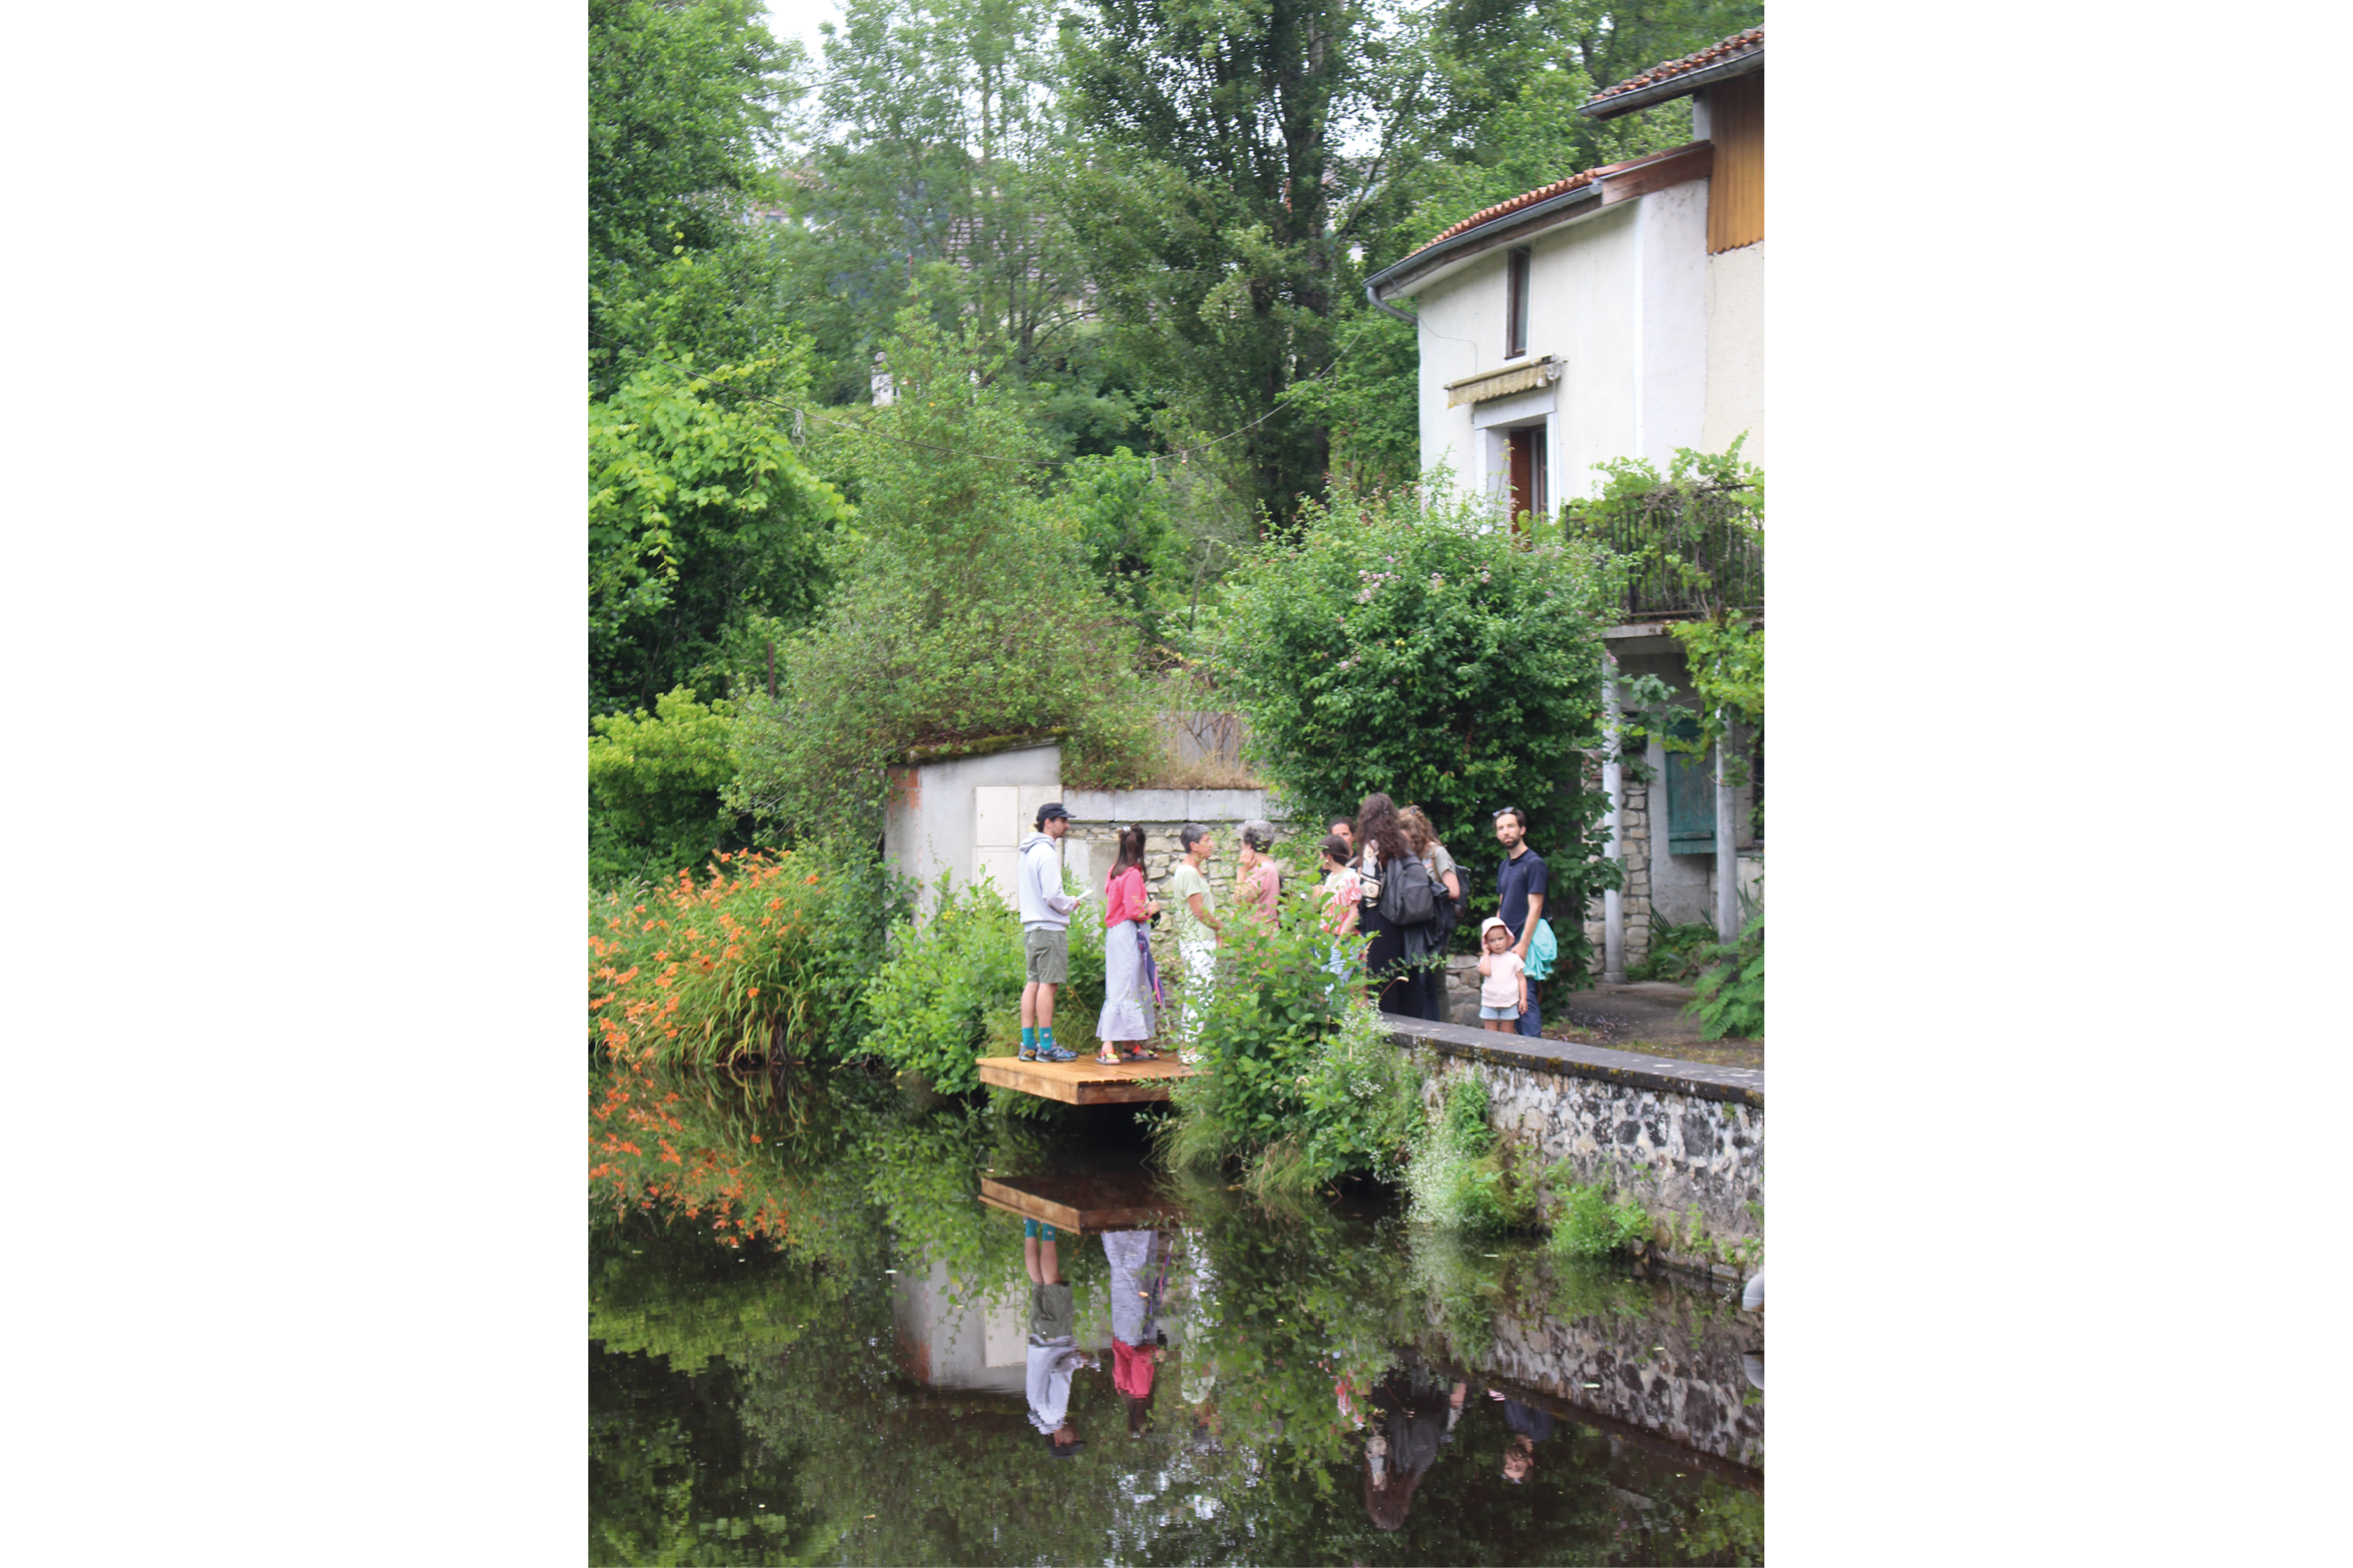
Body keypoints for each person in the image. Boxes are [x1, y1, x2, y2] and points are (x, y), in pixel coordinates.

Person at [1337, 1358, 1466, 1531]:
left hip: (1428, 1384)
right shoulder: (1377, 1465)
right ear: (1373, 1499)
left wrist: (1460, 1374)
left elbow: (1452, 1408)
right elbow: (1369, 1405)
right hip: (1389, 1387)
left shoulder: (1420, 1467)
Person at [1021, 1216, 1095, 1457]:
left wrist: (1082, 1360)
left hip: (1055, 1337)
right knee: (1038, 1283)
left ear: (1059, 1441)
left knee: (1054, 1283)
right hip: (1038, 1336)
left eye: (1072, 1440)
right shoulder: (1037, 1413)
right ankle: (1030, 1224)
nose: (1075, 1434)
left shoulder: (1054, 1414)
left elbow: (1062, 1371)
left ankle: (1050, 1222)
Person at [1353, 793, 1429, 1019]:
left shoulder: (1372, 846)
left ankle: (1389, 1037)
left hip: (1382, 921)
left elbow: (1372, 892)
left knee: (1383, 982)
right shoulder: (1402, 844)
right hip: (1407, 918)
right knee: (1408, 978)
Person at [1095, 824, 1164, 1065]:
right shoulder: (1133, 874)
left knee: (1126, 984)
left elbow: (1111, 896)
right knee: (1125, 986)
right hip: (1127, 935)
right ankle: (1107, 1046)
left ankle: (1130, 1046)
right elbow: (1135, 910)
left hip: (1115, 935)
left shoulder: (1114, 871)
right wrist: (1151, 909)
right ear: (1140, 847)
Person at [1017, 803, 1081, 1061]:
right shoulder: (1046, 852)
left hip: (1031, 928)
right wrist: (1070, 904)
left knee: (1032, 982)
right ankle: (1046, 1046)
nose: (1067, 825)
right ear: (1048, 823)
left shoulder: (1027, 852)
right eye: (1062, 821)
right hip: (1049, 928)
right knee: (1048, 984)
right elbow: (1053, 895)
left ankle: (1028, 1044)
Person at [1399, 805, 1463, 1021]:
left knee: (1434, 984)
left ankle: (1443, 1033)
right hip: (1415, 926)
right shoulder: (1405, 855)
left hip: (1437, 927)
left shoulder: (1436, 853)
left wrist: (1424, 889)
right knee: (1418, 982)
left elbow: (1454, 890)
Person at [1167, 823, 1224, 1057]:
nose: (1212, 845)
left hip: (1198, 939)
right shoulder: (1189, 872)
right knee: (1200, 991)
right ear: (1194, 846)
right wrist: (1222, 928)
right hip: (1197, 940)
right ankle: (1189, 1048)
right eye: (1207, 841)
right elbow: (1199, 911)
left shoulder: (1191, 870)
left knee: (1200, 990)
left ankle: (1189, 1046)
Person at [1492, 805, 1550, 1038]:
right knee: (1509, 1001)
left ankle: (1535, 1055)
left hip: (1524, 944)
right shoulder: (1504, 866)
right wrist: (1492, 939)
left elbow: (1536, 907)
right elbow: (1502, 904)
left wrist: (1523, 944)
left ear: (1522, 829)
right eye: (1500, 828)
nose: (1505, 832)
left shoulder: (1534, 863)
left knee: (1527, 999)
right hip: (1505, 945)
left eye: (1511, 826)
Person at [1314, 833, 1361, 990]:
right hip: (1327, 939)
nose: (1319, 858)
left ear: (1329, 856)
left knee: (1335, 991)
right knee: (1326, 989)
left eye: (1320, 854)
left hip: (1343, 941)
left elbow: (1355, 913)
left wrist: (1339, 942)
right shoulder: (1330, 878)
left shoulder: (1351, 877)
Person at [1487, 1387, 1555, 1483]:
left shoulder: (1512, 1424)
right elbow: (1546, 1395)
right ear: (1530, 1462)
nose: (1514, 1462)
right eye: (1519, 1467)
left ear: (1505, 1456)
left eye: (1509, 1465)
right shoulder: (1542, 1431)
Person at [1474, 916, 1525, 1034]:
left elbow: (1521, 980)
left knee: (1507, 1034)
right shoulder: (1486, 959)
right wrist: (1486, 953)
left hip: (1509, 1001)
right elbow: (1486, 972)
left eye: (1500, 939)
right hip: (1489, 1002)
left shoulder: (1514, 958)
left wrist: (1524, 999)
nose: (1497, 943)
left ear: (1507, 938)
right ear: (1486, 942)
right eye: (1492, 940)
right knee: (1490, 1035)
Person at [1233, 819, 1280, 927]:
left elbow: (1241, 901)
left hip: (1261, 935)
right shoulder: (1268, 866)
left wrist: (1241, 871)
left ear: (1248, 844)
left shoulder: (1262, 870)